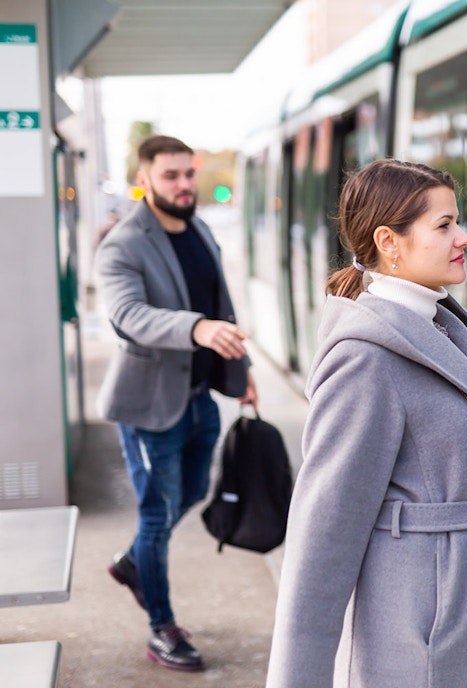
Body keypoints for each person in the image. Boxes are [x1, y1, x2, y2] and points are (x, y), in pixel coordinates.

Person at [265, 159, 467, 687]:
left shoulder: (442, 326)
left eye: (457, 220)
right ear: (388, 241)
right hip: (418, 634)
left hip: (465, 608)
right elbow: (322, 536)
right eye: (443, 225)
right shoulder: (365, 358)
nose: (464, 237)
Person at [95, 134, 258, 671]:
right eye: (171, 175)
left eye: (189, 173)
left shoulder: (200, 229)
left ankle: (133, 563)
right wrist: (197, 329)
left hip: (199, 396)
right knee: (155, 517)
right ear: (144, 180)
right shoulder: (122, 245)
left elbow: (220, 306)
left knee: (190, 493)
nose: (185, 184)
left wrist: (241, 372)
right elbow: (129, 316)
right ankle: (161, 626)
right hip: (149, 407)